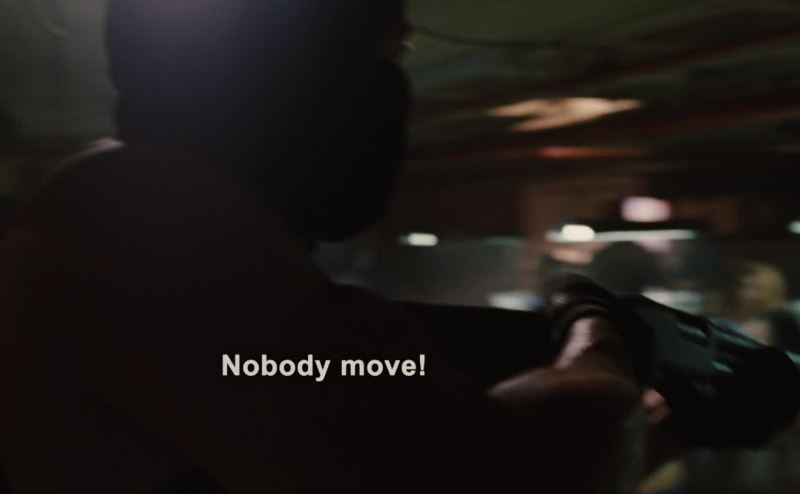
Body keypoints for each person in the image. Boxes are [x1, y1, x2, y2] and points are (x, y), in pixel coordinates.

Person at [0, 1, 768, 492]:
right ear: (296, 78)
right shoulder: (151, 238)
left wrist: (671, 422)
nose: (395, 96)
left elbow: (372, 415)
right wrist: (600, 335)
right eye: (387, 52)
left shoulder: (116, 223)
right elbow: (505, 472)